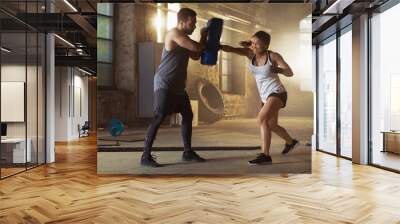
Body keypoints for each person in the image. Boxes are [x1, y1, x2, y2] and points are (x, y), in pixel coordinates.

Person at [141, 8, 207, 167]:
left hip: (177, 86)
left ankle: (187, 152)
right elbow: (198, 48)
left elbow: (196, 55)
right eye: (192, 23)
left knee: (188, 115)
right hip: (165, 83)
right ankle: (145, 157)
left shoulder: (184, 40)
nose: (194, 26)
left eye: (195, 24)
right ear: (182, 21)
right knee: (159, 117)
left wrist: (204, 40)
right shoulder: (174, 34)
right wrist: (204, 36)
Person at [220, 31, 299, 165]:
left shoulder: (273, 56)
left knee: (262, 119)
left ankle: (265, 155)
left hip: (277, 92)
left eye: (257, 44)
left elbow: (290, 72)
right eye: (252, 43)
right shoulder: (250, 54)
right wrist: (218, 46)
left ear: (266, 45)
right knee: (271, 125)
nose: (254, 46)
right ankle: (291, 142)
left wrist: (278, 70)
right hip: (265, 96)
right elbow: (232, 49)